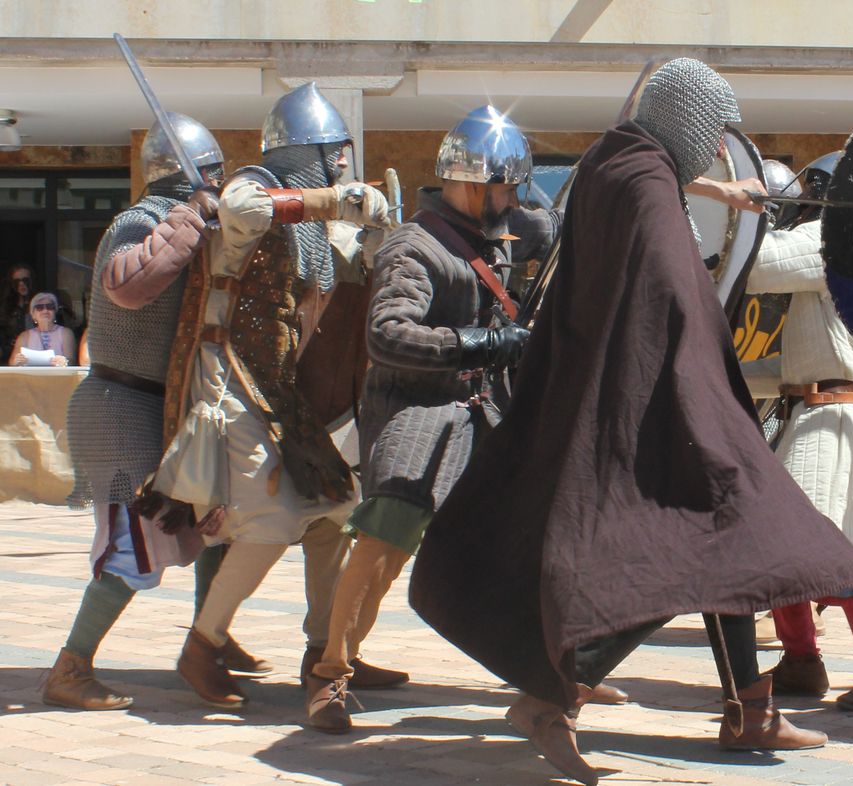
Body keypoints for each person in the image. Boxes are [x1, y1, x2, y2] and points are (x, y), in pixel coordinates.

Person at [408, 58, 853, 786]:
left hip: (614, 389)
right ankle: (550, 696)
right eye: (713, 132)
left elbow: (654, 206)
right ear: (685, 121)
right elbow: (675, 289)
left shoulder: (612, 160)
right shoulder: (649, 186)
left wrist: (717, 188)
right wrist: (709, 385)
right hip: (657, 401)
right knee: (674, 555)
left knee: (729, 541)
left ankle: (749, 708)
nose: (716, 144)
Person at [303, 105, 566, 732]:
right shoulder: (414, 248)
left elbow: (552, 230)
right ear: (475, 183)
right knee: (385, 540)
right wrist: (485, 343)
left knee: (529, 538)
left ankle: (549, 675)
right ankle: (329, 672)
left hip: (483, 413)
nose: (510, 200)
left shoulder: (493, 230)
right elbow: (388, 336)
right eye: (504, 187)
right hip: (417, 409)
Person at [144, 83, 393, 709]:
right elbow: (248, 206)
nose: (341, 163)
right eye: (333, 152)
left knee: (340, 507)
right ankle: (201, 645)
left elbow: (340, 286)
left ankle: (325, 651)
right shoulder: (251, 187)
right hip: (227, 380)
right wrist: (336, 198)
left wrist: (371, 237)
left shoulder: (313, 225)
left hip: (277, 388)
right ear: (306, 152)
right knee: (273, 521)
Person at [41, 114, 254, 710]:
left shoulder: (184, 225)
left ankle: (210, 640)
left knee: (219, 527)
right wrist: (190, 215)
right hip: (121, 409)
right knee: (134, 548)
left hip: (167, 411)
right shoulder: (139, 223)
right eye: (212, 174)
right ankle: (70, 667)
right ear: (193, 176)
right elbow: (130, 285)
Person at [740, 153, 853, 711]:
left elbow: (759, 264)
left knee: (831, 550)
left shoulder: (834, 240)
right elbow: (804, 365)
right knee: (796, 548)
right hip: (830, 408)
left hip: (834, 418)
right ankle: (801, 661)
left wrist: (738, 214)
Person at [8, 291, 77, 366]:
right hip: (31, 377)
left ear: (55, 312)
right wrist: (17, 361)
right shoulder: (24, 336)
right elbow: (12, 363)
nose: (45, 311)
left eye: (50, 307)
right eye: (39, 307)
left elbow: (72, 361)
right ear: (33, 315)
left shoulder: (66, 333)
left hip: (58, 376)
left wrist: (64, 361)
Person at [0, 262, 35, 362]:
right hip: (11, 356)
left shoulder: (42, 305)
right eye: (17, 281)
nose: (21, 284)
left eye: (25, 280)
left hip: (37, 353)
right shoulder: (6, 307)